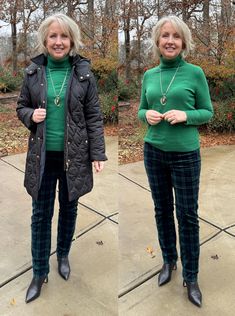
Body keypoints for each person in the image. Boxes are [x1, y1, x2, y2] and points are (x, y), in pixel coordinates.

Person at [16, 13, 107, 303]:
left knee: (69, 211)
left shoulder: (83, 74)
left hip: (74, 158)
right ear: (45, 40)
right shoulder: (32, 73)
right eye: (53, 36)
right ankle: (39, 271)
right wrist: (31, 115)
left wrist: (98, 152)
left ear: (72, 41)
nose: (58, 42)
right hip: (42, 159)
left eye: (64, 36)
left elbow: (94, 115)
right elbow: (20, 107)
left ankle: (63, 256)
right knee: (40, 215)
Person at [138, 15, 213, 308]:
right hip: (153, 151)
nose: (170, 41)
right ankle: (169, 260)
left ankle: (191, 276)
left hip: (185, 155)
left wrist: (186, 115)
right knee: (162, 211)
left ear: (183, 43)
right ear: (158, 41)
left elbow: (207, 112)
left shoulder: (195, 73)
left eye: (176, 36)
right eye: (165, 35)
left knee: (188, 215)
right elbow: (141, 109)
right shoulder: (148, 75)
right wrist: (147, 115)